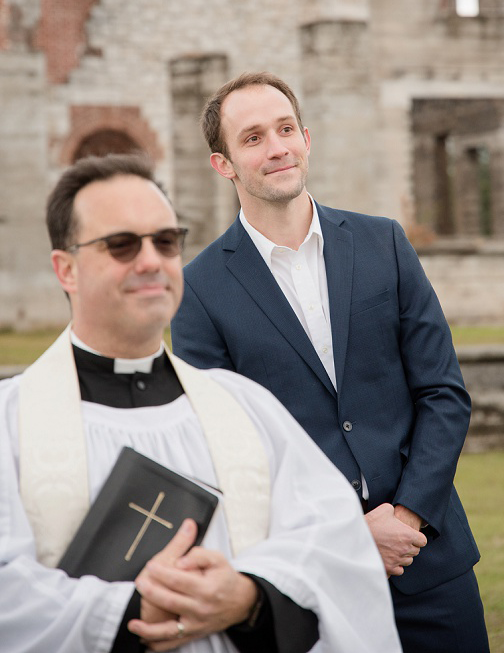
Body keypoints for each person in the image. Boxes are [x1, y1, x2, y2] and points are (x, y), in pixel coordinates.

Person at [0, 153, 402, 653]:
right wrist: (133, 612)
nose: (150, 261)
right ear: (67, 269)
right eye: (121, 245)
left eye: (165, 242)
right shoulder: (10, 424)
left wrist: (249, 597)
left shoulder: (245, 407)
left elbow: (332, 547)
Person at [171, 72, 488, 653]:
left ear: (307, 137)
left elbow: (444, 393)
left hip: (429, 561)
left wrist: (408, 518)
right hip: (307, 576)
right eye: (253, 138)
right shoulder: (197, 290)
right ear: (224, 165)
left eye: (286, 129)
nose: (277, 148)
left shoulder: (383, 243)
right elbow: (224, 451)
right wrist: (347, 535)